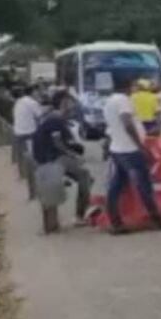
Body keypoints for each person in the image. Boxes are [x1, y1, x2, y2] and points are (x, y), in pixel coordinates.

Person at [103, 77, 161, 234]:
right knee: (144, 185)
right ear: (129, 86)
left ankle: (115, 222)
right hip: (130, 150)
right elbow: (127, 123)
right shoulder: (123, 101)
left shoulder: (110, 101)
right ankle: (157, 220)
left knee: (116, 186)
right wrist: (140, 147)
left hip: (117, 149)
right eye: (134, 86)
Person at [31, 91, 95, 233]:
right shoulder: (56, 119)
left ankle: (56, 223)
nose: (74, 106)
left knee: (82, 177)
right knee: (85, 177)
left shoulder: (51, 117)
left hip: (47, 158)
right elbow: (57, 142)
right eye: (71, 102)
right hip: (53, 158)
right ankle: (79, 216)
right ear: (64, 103)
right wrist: (73, 155)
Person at [12, 83, 46, 188]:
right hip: (29, 132)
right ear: (33, 92)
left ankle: (22, 175)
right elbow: (40, 115)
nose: (38, 94)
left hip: (18, 132)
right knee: (33, 154)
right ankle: (35, 176)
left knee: (21, 154)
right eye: (36, 92)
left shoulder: (18, 102)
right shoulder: (32, 102)